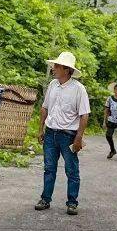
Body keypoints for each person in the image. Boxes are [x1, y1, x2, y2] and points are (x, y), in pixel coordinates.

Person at [34, 51, 89, 216]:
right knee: (49, 168)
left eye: (57, 66)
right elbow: (44, 108)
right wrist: (40, 129)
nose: (53, 68)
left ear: (67, 70)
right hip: (51, 133)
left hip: (68, 135)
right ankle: (45, 199)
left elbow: (84, 115)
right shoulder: (52, 85)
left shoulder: (78, 89)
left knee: (71, 170)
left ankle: (72, 202)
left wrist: (78, 138)